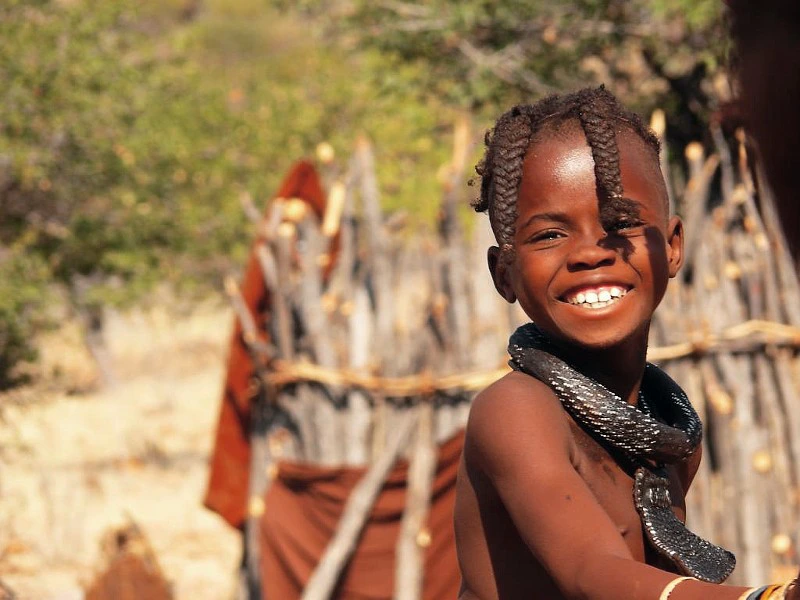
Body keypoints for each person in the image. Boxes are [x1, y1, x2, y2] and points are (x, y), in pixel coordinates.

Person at [454, 86, 799, 600]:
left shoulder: (667, 436)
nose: (590, 254)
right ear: (504, 273)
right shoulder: (515, 411)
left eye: (621, 224)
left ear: (673, 246)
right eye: (549, 235)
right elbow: (593, 573)